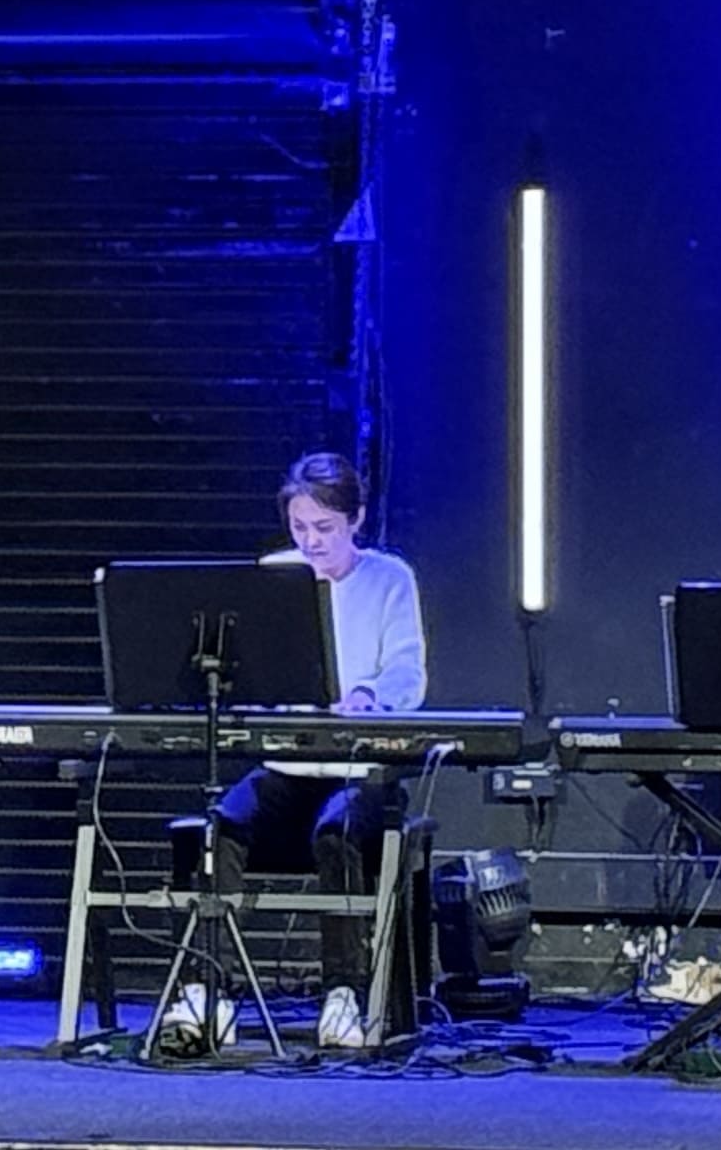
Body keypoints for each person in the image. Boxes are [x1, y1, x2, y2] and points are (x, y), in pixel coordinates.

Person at [204, 451, 424, 1053]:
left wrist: (368, 695)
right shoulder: (275, 575)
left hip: (356, 769)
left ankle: (343, 991)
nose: (311, 541)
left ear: (355, 519)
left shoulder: (390, 578)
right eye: (300, 527)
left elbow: (408, 669)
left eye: (324, 528)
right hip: (286, 764)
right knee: (222, 824)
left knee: (337, 832)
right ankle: (212, 988)